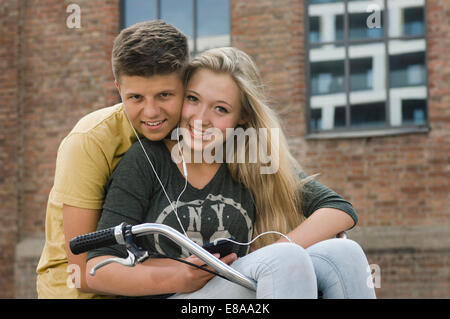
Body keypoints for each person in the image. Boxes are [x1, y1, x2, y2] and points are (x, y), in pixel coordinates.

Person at [85, 47, 376, 299]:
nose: (200, 119)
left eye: (220, 109)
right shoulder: (147, 159)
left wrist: (276, 252)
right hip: (175, 294)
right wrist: (180, 276)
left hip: (236, 287)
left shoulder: (250, 156)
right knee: (284, 259)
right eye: (193, 99)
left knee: (345, 255)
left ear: (242, 117)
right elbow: (98, 268)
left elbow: (339, 209)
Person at [36, 20, 189, 298]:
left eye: (164, 95)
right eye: (136, 97)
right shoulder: (89, 142)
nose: (151, 111)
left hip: (149, 281)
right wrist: (186, 273)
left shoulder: (197, 132)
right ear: (118, 89)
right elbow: (82, 271)